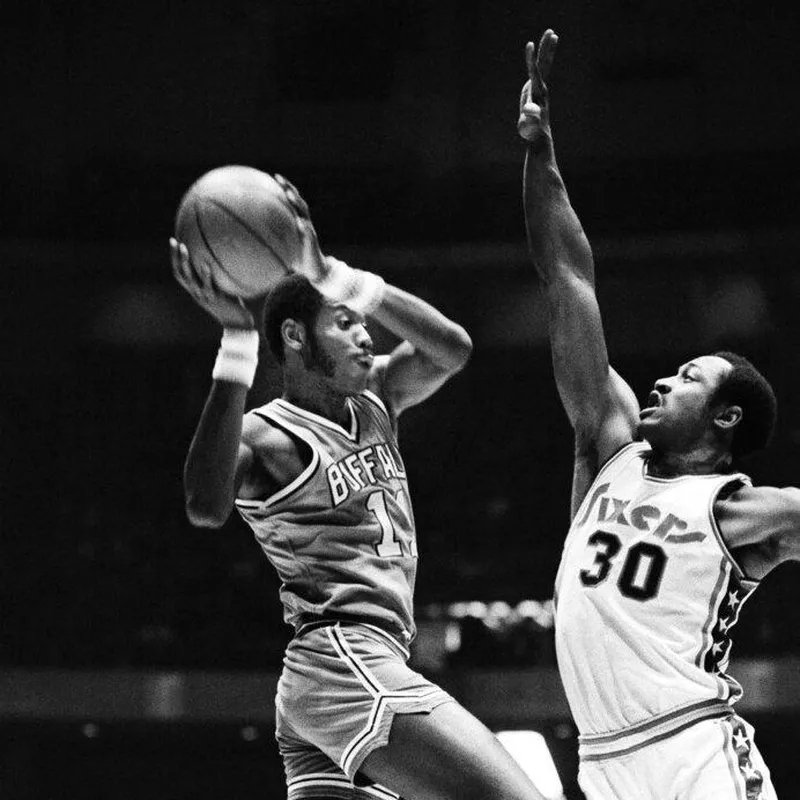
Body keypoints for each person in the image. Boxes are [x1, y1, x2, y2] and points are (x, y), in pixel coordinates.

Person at [171, 176, 548, 800]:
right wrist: (235, 344)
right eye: (344, 323)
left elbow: (452, 348)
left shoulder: (378, 404)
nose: (367, 334)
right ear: (295, 337)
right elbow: (204, 506)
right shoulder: (269, 435)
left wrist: (340, 279)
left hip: (349, 672)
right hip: (343, 657)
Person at [518, 28, 798, 800]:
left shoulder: (740, 510)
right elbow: (567, 276)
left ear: (728, 419)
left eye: (687, 377)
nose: (661, 382)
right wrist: (541, 151)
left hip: (692, 752)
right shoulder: (608, 445)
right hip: (604, 762)